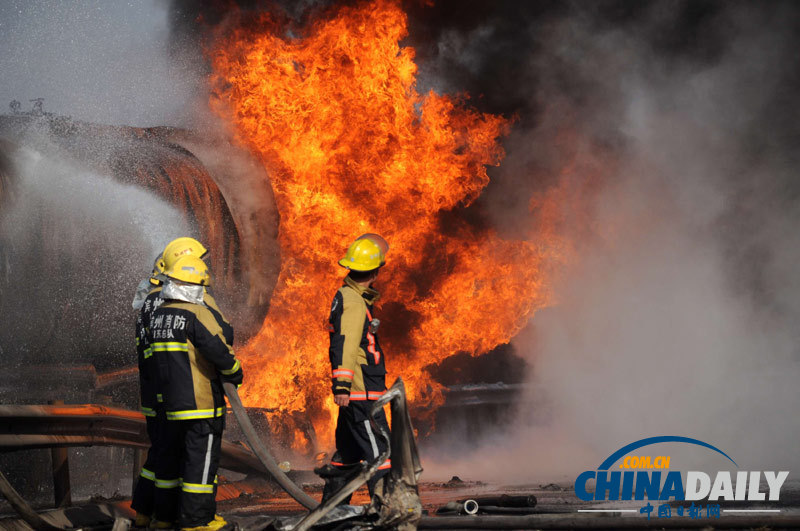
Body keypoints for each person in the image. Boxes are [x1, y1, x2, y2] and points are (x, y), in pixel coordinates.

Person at [148, 254, 243, 530]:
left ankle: (164, 518)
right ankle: (197, 521)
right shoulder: (196, 313)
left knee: (169, 464)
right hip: (200, 406)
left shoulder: (159, 315)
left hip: (169, 405)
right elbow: (219, 351)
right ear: (193, 285)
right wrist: (236, 373)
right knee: (200, 467)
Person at [319, 236, 391, 504]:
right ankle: (387, 512)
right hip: (361, 393)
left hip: (360, 391)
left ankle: (331, 512)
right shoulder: (352, 301)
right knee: (380, 453)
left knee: (348, 456)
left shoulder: (352, 296)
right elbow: (346, 344)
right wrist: (342, 386)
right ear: (375, 271)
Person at [130, 255, 166, 528]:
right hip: (171, 395)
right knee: (170, 454)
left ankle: (144, 511)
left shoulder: (146, 304)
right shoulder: (170, 306)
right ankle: (165, 516)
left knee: (158, 453)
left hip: (152, 394)